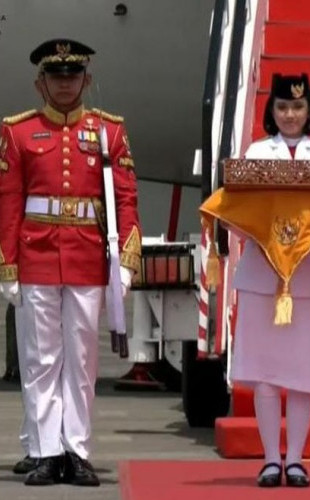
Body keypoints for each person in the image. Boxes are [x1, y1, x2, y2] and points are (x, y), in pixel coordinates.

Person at [0, 39, 141, 486]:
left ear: (87, 79)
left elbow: (126, 198)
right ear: (40, 81)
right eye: (57, 76)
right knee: (41, 359)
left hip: (86, 255)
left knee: (81, 362)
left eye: (73, 76)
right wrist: (7, 264)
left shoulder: (110, 131)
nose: (66, 84)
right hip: (36, 253)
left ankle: (77, 450)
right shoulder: (18, 131)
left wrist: (127, 260)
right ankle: (46, 452)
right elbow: (8, 201)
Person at [230, 73, 310, 488]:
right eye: (282, 107)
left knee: (303, 373)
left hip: (309, 274)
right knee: (266, 374)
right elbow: (239, 216)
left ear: (309, 110)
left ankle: (296, 459)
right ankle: (271, 459)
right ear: (271, 111)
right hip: (262, 273)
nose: (290, 115)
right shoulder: (257, 153)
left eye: (297, 107)